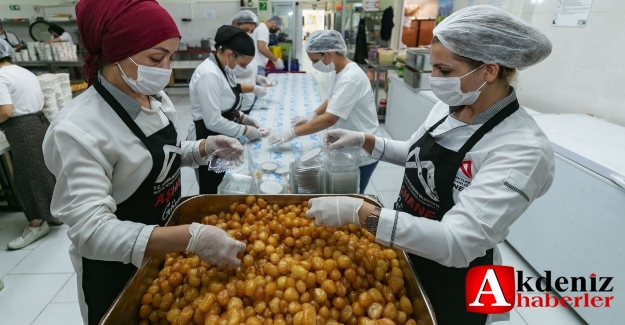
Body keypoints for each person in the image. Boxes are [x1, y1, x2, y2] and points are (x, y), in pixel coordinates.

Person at [305, 6, 554, 325]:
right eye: (433, 69)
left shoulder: (522, 149)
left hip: (460, 277)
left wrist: (359, 212)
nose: (434, 80)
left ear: (489, 71)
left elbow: (458, 242)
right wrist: (364, 139)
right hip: (407, 243)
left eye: (445, 71)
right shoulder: (450, 106)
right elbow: (416, 154)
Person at [43, 1, 246, 323]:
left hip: (163, 248)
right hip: (116, 269)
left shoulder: (154, 99)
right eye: (156, 58)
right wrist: (190, 237)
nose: (165, 69)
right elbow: (91, 232)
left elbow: (158, 159)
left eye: (171, 56)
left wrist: (204, 148)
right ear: (115, 53)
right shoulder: (77, 128)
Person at [268, 30, 380, 193]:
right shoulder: (340, 71)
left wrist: (291, 133)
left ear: (328, 54)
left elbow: (329, 119)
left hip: (362, 150)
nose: (313, 65)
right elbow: (334, 99)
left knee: (351, 198)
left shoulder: (350, 78)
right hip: (349, 143)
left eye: (314, 60)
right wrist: (312, 115)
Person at [187, 25, 265, 194]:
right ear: (230, 54)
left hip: (221, 137)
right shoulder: (209, 75)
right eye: (243, 64)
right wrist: (245, 130)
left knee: (225, 181)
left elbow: (225, 99)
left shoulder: (224, 69)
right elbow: (213, 120)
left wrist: (242, 117)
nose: (244, 69)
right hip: (207, 137)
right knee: (212, 188)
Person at [0, 39, 60, 250]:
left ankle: (36, 223)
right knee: (44, 171)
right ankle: (52, 214)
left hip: (22, 129)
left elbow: (5, 111)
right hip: (39, 122)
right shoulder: (24, 72)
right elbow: (42, 101)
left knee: (26, 177)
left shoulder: (0, 77)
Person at [231, 10, 274, 114]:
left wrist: (257, 77)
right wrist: (253, 88)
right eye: (246, 29)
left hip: (247, 102)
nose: (249, 34)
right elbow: (226, 83)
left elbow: (244, 69)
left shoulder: (246, 46)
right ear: (236, 25)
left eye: (251, 31)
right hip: (235, 104)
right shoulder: (229, 49)